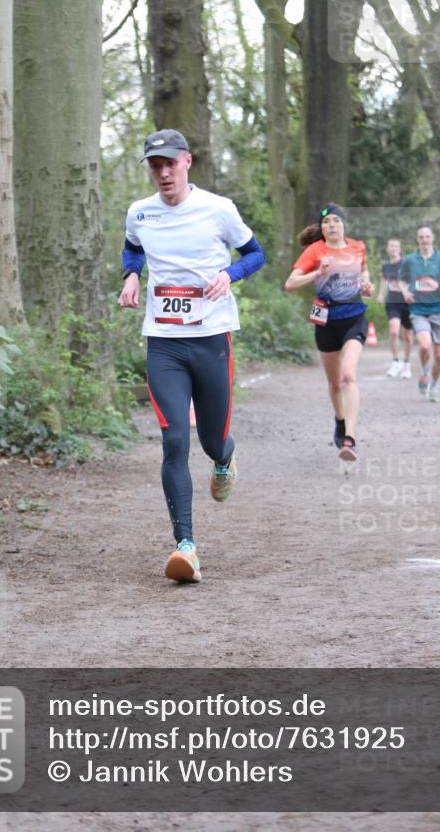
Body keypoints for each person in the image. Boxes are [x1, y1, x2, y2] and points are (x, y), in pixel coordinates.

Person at [118, 129, 265, 583]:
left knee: (211, 440)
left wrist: (230, 273)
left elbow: (256, 254)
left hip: (211, 339)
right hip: (163, 341)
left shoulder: (218, 209)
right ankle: (186, 546)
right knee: (175, 439)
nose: (162, 172)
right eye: (154, 165)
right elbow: (132, 247)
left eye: (169, 163)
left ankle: (224, 456)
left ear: (187, 162)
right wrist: (131, 275)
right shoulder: (140, 212)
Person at [284, 204, 374, 462]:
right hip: (325, 320)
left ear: (344, 224)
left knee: (348, 375)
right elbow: (290, 284)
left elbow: (364, 271)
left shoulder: (358, 247)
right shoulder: (315, 250)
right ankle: (340, 418)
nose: (331, 225)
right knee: (335, 383)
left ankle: (350, 438)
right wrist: (317, 272)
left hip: (354, 317)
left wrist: (367, 284)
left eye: (336, 220)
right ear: (321, 228)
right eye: (326, 222)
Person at [399, 223, 440, 403]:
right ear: (417, 239)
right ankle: (424, 372)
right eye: (421, 237)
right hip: (418, 310)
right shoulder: (410, 260)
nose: (424, 240)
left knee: (439, 355)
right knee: (424, 345)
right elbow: (401, 279)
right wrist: (405, 292)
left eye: (427, 236)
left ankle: (434, 386)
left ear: (433, 238)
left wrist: (437, 285)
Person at [377, 237, 413, 379]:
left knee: (407, 335)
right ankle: (396, 362)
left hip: (407, 303)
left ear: (399, 249)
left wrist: (409, 292)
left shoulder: (405, 264)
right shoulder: (386, 266)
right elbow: (384, 279)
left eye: (396, 246)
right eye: (391, 246)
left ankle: (407, 364)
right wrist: (381, 294)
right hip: (392, 302)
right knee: (393, 331)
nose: (393, 248)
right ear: (387, 249)